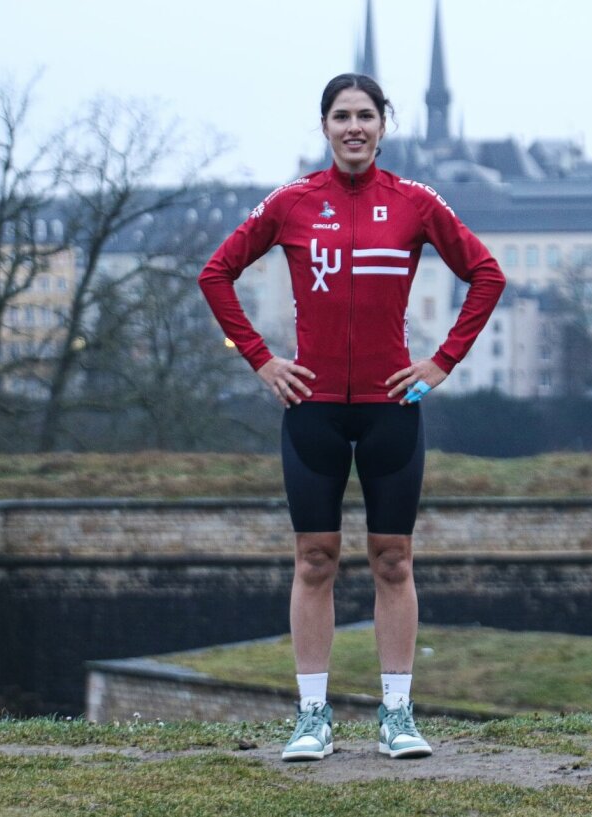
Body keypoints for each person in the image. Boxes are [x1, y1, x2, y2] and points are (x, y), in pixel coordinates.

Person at [198, 72, 505, 761]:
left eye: (366, 115)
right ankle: (313, 716)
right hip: (312, 411)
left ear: (383, 125)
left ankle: (397, 713)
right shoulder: (292, 202)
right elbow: (215, 273)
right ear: (326, 125)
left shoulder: (416, 203)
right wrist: (261, 359)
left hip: (392, 406)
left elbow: (487, 274)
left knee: (393, 559)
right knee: (315, 560)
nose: (354, 127)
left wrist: (441, 363)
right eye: (342, 116)